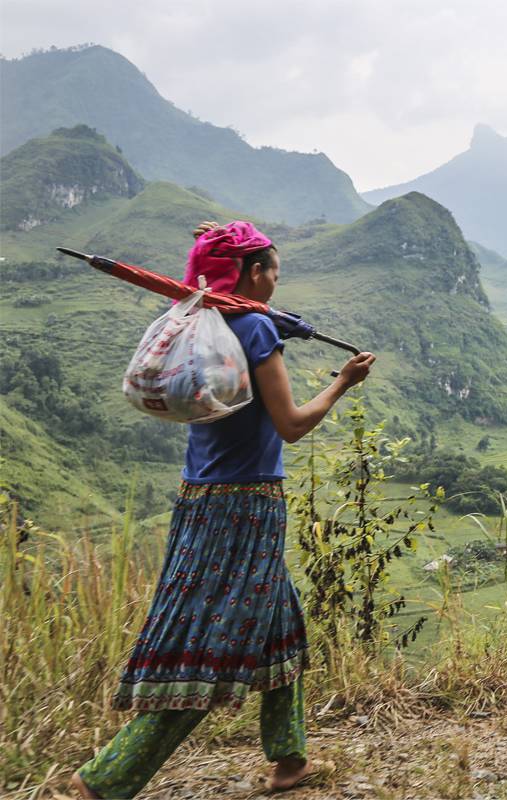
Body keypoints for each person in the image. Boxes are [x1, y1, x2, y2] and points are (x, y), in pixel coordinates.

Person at [72, 221, 376, 799]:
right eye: (273, 272)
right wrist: (342, 383)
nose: (275, 283)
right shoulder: (257, 327)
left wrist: (220, 237)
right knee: (215, 647)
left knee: (278, 620)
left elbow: (235, 283)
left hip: (200, 496)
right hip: (247, 505)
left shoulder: (203, 315)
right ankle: (105, 779)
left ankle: (290, 761)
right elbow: (290, 425)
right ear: (254, 273)